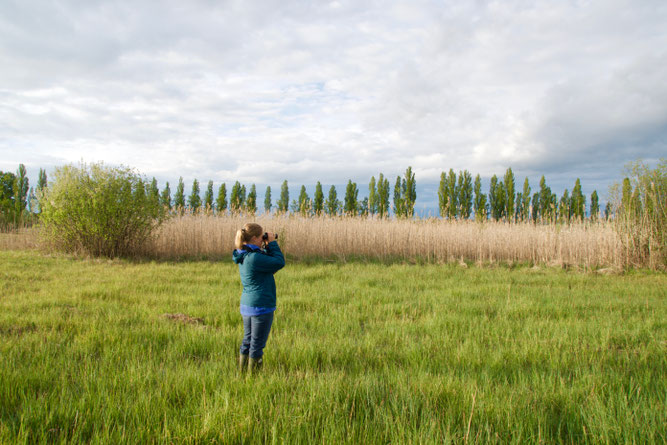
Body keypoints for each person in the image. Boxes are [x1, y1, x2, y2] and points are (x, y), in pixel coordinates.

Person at [233, 222, 285, 373]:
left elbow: (269, 266)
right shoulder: (254, 258)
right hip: (261, 306)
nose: (263, 239)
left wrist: (267, 245)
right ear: (255, 238)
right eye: (261, 237)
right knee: (257, 345)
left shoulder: (244, 255)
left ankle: (242, 375)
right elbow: (279, 262)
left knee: (247, 342)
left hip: (247, 306)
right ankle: (253, 378)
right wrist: (273, 244)